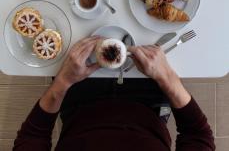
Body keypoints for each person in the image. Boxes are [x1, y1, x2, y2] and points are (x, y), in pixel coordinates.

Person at [13, 36, 215, 151]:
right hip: (149, 104)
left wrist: (63, 82)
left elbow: (33, 137)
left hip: (77, 99)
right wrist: (167, 78)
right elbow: (197, 136)